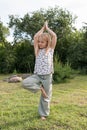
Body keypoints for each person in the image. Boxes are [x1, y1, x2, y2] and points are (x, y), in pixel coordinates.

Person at [22, 21, 57, 120]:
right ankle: (40, 89)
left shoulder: (50, 50)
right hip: (37, 76)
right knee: (25, 83)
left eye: (42, 42)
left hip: (47, 77)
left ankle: (43, 114)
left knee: (46, 98)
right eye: (39, 42)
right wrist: (42, 28)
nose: (39, 43)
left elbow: (54, 36)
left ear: (47, 42)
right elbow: (35, 37)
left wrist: (47, 28)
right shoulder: (37, 50)